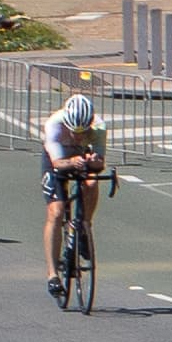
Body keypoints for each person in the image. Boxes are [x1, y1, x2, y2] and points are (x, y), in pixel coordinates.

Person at [40, 93, 109, 296]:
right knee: (56, 211)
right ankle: (53, 274)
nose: (78, 137)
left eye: (83, 132)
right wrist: (72, 162)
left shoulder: (99, 127)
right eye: (74, 132)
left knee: (91, 182)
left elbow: (99, 164)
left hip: (80, 158)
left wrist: (94, 161)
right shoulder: (54, 124)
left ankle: (84, 226)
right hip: (57, 160)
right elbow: (57, 163)